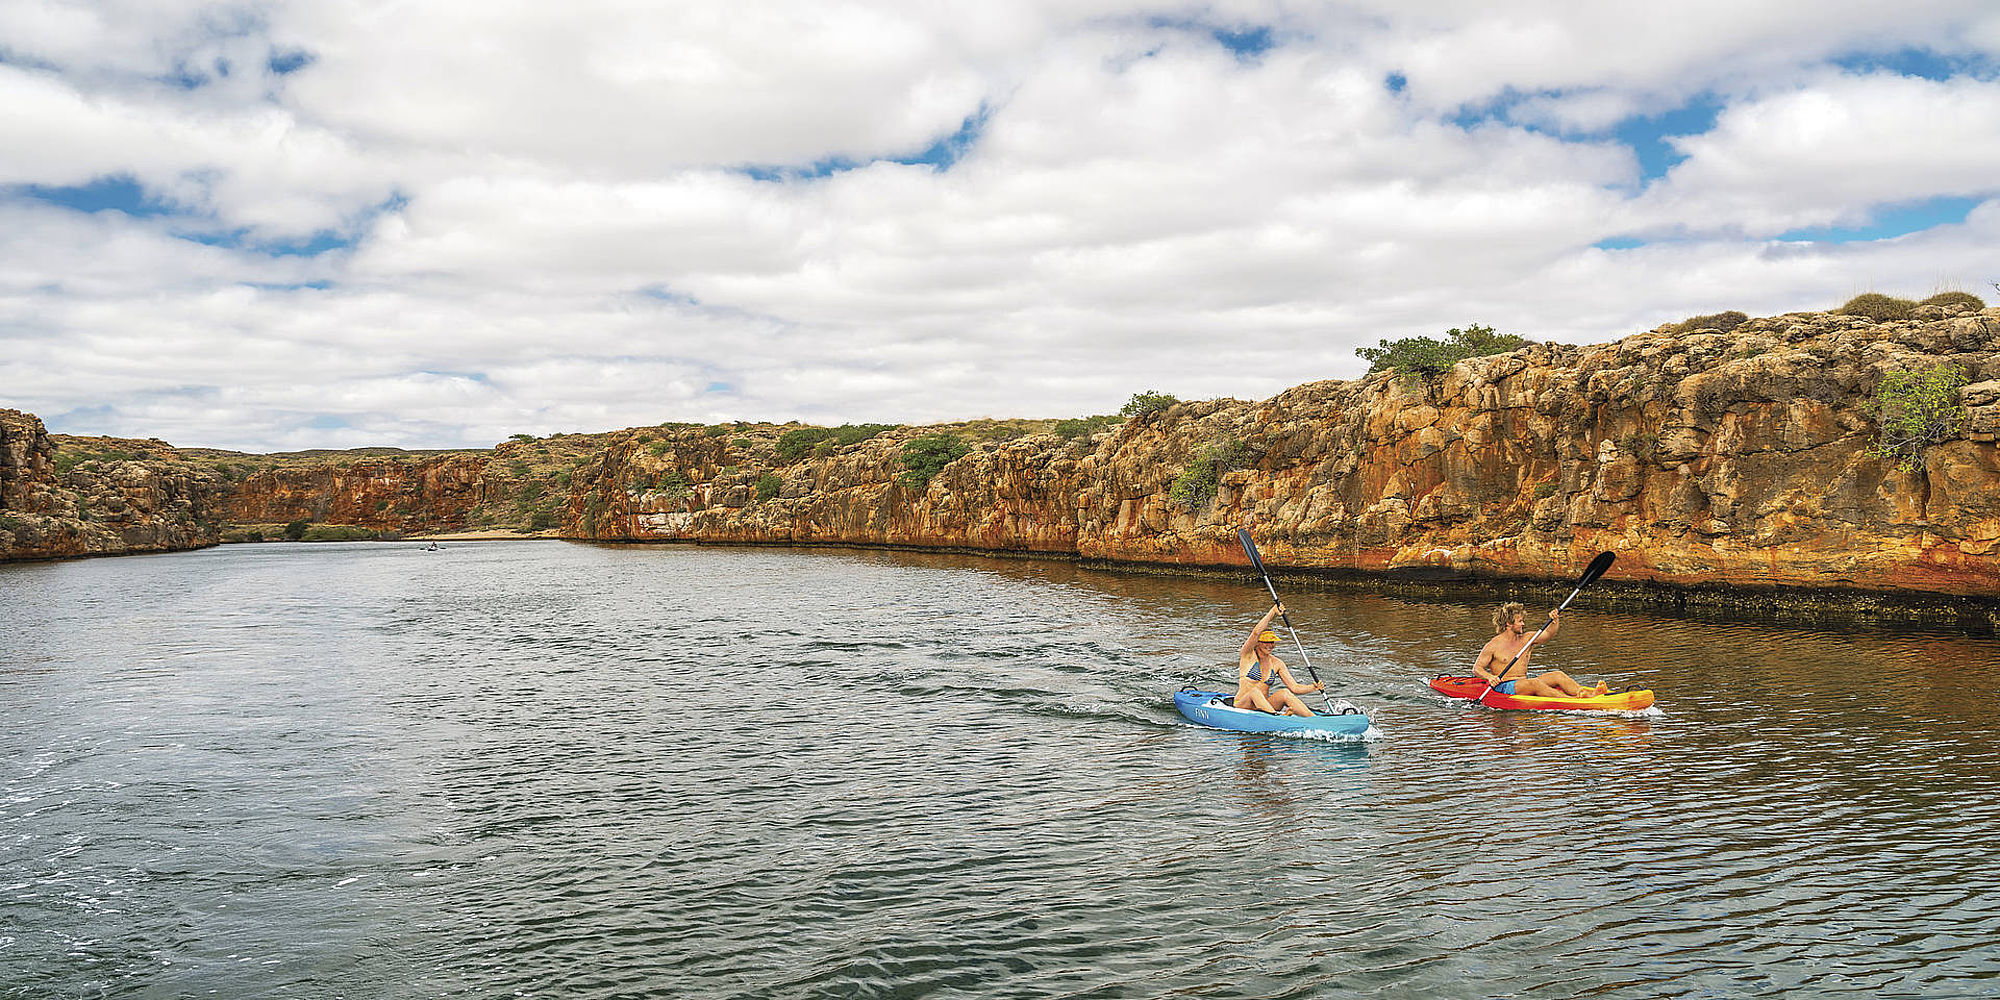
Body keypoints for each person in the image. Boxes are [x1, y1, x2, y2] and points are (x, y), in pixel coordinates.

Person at [1472, 602, 1606, 697]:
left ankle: (1586, 693)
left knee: (1557, 675)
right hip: (1505, 686)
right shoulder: (1493, 645)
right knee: (1534, 683)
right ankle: (1573, 701)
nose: (1523, 624)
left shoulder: (1527, 638)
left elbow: (1548, 634)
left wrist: (1554, 621)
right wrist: (1490, 677)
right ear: (1509, 623)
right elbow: (1477, 668)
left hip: (1524, 682)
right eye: (1520, 621)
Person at [1234, 602, 1324, 715]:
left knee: (1284, 693)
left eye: (1272, 642)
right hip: (1242, 706)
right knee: (1255, 692)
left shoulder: (1277, 663)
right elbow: (1256, 632)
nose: (1270, 645)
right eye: (1266, 642)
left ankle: (1314, 719)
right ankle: (1276, 717)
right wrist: (1273, 612)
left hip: (1263, 707)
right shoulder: (1247, 655)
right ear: (1257, 643)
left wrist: (1313, 687)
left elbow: (1294, 688)